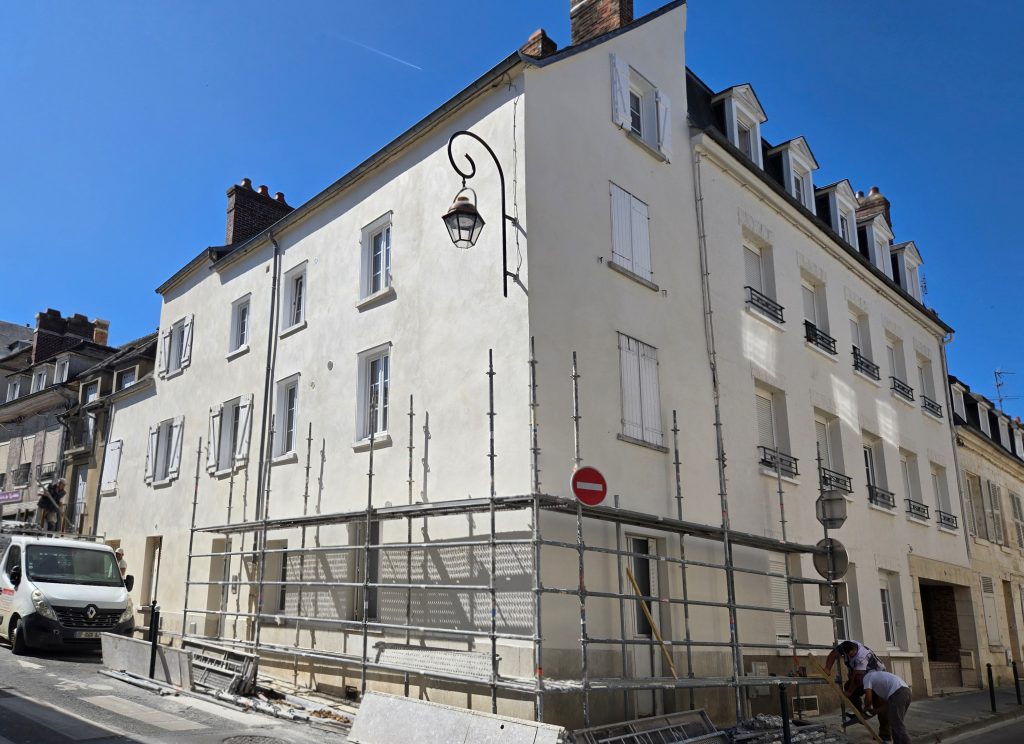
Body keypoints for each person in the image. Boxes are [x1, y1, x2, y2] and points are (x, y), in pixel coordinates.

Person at [824, 640, 886, 725]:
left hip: (877, 677)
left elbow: (858, 676)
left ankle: (885, 733)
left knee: (878, 702)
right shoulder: (845, 646)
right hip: (861, 675)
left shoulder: (862, 655)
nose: (850, 656)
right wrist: (827, 669)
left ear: (854, 649)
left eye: (852, 655)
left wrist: (849, 692)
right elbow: (833, 654)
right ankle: (859, 713)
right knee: (848, 687)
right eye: (848, 655)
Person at [862, 669, 912, 744]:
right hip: (906, 692)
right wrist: (877, 710)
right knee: (895, 723)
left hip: (899, 693)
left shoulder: (867, 677)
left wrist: (867, 707)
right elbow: (889, 703)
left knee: (897, 724)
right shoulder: (882, 679)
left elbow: (868, 698)